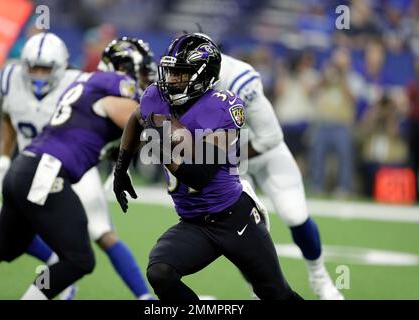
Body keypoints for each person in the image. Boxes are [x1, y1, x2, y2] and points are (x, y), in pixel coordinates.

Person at [113, 33, 302, 300]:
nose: (171, 80)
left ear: (204, 76)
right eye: (170, 71)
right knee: (160, 273)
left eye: (181, 73)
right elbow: (136, 117)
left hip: (234, 218)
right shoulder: (155, 96)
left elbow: (200, 175)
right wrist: (121, 169)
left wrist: (159, 144)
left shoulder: (222, 107)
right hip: (193, 222)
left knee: (275, 293)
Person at [0, 37, 152, 300]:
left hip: (24, 167)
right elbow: (138, 123)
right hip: (46, 173)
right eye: (144, 70)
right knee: (79, 260)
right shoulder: (116, 87)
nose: (147, 77)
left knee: (5, 248)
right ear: (128, 68)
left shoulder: (86, 83)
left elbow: (93, 129)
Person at [217, 43, 344, 299]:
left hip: (261, 152)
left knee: (294, 214)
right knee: (242, 229)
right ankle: (258, 289)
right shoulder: (180, 88)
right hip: (229, 162)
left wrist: (222, 157)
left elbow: (271, 136)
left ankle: (320, 278)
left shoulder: (239, 79)